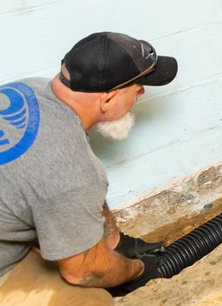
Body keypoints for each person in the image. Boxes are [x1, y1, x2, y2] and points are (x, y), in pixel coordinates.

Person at [1, 32, 178, 303]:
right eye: (137, 87)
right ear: (107, 99)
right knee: (95, 299)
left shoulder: (28, 89)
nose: (141, 93)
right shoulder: (71, 172)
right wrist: (136, 270)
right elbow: (84, 272)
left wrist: (114, 242)